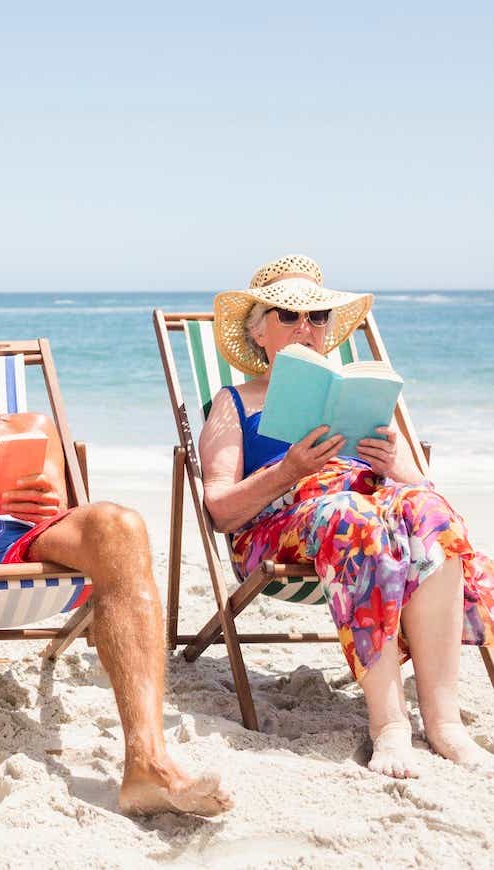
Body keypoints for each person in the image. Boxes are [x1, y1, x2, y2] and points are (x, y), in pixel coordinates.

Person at [0, 292, 232, 831]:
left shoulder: (34, 426)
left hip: (32, 538)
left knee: (121, 524)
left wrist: (50, 504)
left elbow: (68, 514)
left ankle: (147, 759)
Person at [199, 254, 494, 778]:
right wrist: (288, 470)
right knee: (352, 519)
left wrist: (391, 463)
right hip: (284, 524)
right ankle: (390, 726)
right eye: (289, 316)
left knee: (431, 515)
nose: (306, 327)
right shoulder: (234, 402)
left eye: (317, 316)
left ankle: (445, 723)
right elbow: (221, 509)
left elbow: (423, 491)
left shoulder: (356, 397)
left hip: (369, 506)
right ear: (258, 331)